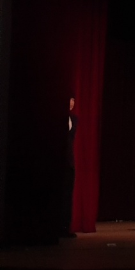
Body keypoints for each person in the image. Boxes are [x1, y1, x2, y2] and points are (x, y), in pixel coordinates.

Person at [61, 96, 77, 238]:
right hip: (58, 161)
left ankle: (65, 228)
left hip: (69, 161)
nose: (71, 103)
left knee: (67, 195)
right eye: (70, 99)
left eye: (73, 100)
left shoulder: (74, 119)